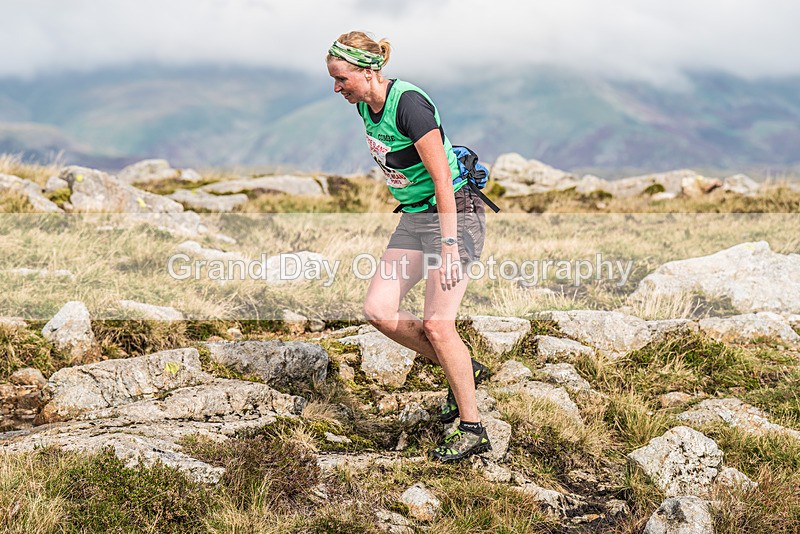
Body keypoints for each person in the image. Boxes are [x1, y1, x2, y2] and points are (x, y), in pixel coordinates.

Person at [326, 31, 491, 462]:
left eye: (341, 78)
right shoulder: (365, 105)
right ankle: (465, 371)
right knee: (379, 309)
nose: (337, 88)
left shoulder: (410, 105)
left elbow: (441, 178)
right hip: (415, 216)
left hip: (452, 214)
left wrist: (451, 246)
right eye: (333, 79)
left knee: (439, 325)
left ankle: (473, 428)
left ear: (367, 71)